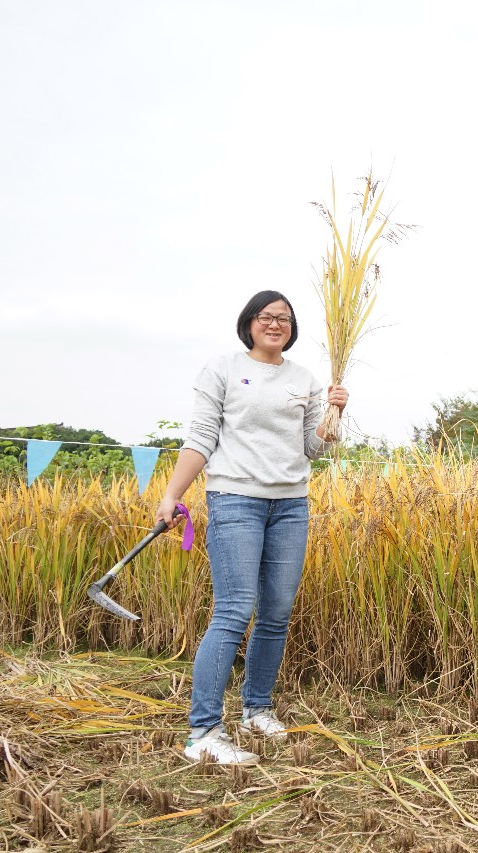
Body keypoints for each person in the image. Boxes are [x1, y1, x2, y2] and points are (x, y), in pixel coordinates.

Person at [156, 289, 348, 766]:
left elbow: (314, 449)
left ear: (292, 327)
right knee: (234, 610)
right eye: (266, 316)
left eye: (284, 318)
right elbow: (201, 436)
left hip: (289, 505)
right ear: (249, 322)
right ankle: (202, 732)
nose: (275, 324)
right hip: (235, 500)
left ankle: (256, 709)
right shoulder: (221, 369)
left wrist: (335, 412)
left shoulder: (303, 378)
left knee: (277, 613)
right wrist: (172, 494)